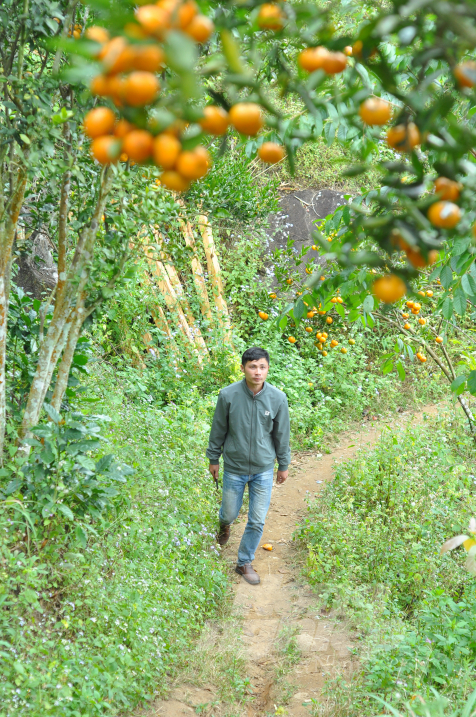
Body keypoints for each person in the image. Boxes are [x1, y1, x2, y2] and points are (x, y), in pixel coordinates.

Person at [206, 346, 291, 585]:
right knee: (230, 513)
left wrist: (283, 464)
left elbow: (281, 434)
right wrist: (214, 458)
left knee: (257, 520)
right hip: (234, 467)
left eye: (262, 367)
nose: (257, 372)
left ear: (268, 369)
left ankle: (244, 561)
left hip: (263, 468)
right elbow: (218, 429)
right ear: (243, 368)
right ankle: (224, 524)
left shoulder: (277, 398)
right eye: (252, 367)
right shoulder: (228, 395)